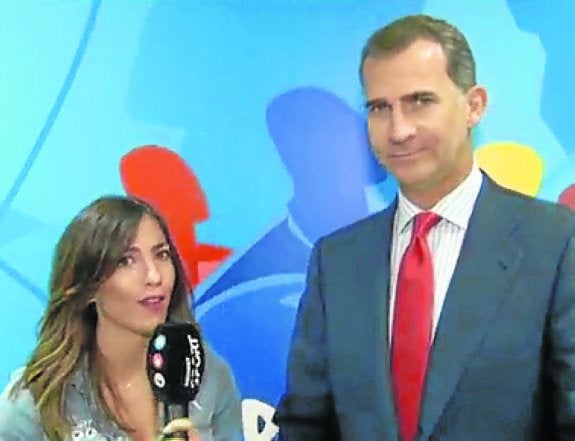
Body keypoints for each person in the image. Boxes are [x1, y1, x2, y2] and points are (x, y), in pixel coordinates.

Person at [274, 14, 575, 441]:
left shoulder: (555, 242)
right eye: (379, 108)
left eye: (419, 101)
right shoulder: (337, 260)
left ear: (474, 105)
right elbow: (305, 424)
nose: (399, 130)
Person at [0, 196, 243, 441]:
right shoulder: (36, 400)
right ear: (88, 287)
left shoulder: (207, 375)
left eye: (161, 255)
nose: (154, 276)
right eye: (126, 261)